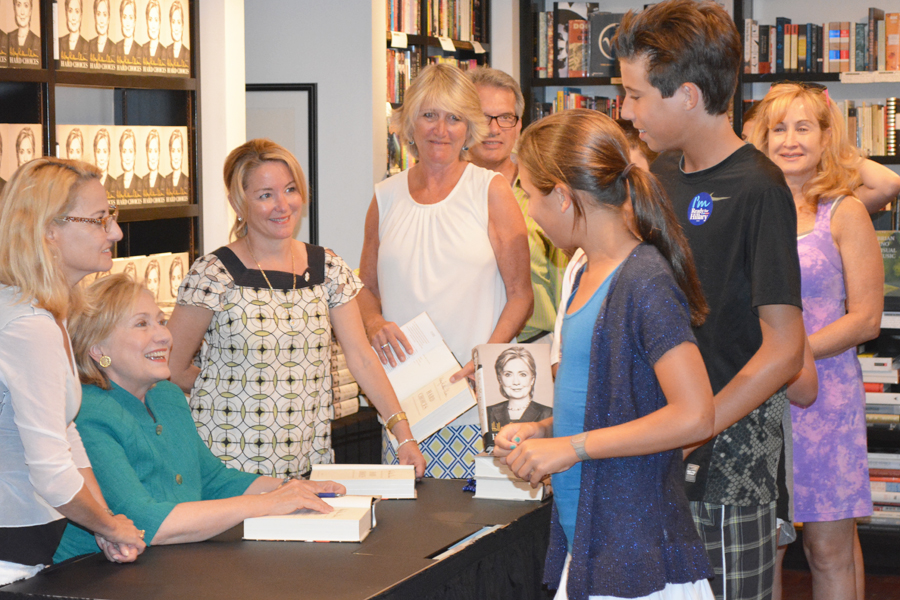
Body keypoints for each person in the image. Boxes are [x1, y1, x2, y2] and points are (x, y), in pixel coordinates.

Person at [614, 2, 806, 599]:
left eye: (635, 95)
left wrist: (698, 425)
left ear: (688, 96)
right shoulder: (659, 177)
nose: (625, 111)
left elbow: (785, 348)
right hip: (659, 444)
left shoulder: (759, 188)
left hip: (730, 461)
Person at [495, 108, 715, 600]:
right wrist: (544, 431)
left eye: (529, 195)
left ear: (562, 196)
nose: (530, 212)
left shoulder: (644, 281)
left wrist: (571, 447)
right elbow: (606, 406)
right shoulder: (583, 273)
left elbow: (696, 415)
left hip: (635, 552)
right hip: (592, 541)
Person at [167, 139, 425, 479]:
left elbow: (362, 359)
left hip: (307, 466)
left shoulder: (326, 268)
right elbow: (170, 367)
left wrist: (403, 434)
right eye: (265, 195)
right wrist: (234, 387)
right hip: (226, 468)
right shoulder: (213, 274)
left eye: (290, 189)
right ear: (238, 203)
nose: (282, 205)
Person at [53, 275, 345, 561]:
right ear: (98, 349)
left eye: (161, 321)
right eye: (142, 324)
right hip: (92, 572)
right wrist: (267, 503)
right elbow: (144, 522)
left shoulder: (166, 395)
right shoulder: (87, 413)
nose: (164, 335)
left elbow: (213, 479)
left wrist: (291, 488)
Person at [357, 63, 532, 479]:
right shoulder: (385, 197)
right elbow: (365, 289)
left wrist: (486, 359)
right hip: (407, 407)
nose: (441, 129)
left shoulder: (491, 191)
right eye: (429, 115)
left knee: (485, 516)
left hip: (480, 399)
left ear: (469, 126)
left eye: (454, 117)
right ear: (409, 123)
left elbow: (521, 294)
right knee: (408, 516)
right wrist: (374, 322)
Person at [749, 82, 883, 600]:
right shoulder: (749, 210)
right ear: (761, 140)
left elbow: (866, 319)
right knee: (764, 547)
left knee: (828, 550)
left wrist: (792, 351)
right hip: (756, 394)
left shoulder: (844, 211)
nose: (790, 140)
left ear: (826, 137)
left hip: (828, 399)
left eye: (803, 127)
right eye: (778, 129)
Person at [0, 158, 145, 586]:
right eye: (99, 220)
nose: (115, 233)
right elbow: (51, 469)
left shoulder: (43, 310)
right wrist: (110, 525)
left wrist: (104, 522)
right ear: (49, 229)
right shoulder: (28, 325)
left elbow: (65, 433)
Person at [467, 67, 568, 345]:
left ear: (519, 124)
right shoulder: (446, 194)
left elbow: (566, 285)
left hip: (534, 347)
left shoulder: (547, 192)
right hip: (462, 343)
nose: (494, 129)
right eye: (483, 117)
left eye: (505, 118)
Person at [550, 119, 656, 374]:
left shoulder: (653, 262)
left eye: (629, 178)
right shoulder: (580, 260)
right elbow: (559, 358)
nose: (621, 191)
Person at [743, 100, 900, 215]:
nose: (753, 147)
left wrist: (832, 146)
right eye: (746, 139)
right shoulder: (748, 198)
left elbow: (889, 184)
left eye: (802, 129)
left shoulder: (831, 205)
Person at [487, 346, 550, 433]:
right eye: (508, 374)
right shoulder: (489, 412)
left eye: (523, 374)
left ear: (532, 379)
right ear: (500, 379)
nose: (516, 382)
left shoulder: (549, 413)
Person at [115, 129, 143, 204]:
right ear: (120, 154)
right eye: (124, 151)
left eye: (130, 151)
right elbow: (113, 206)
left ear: (135, 154)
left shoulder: (141, 183)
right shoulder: (115, 183)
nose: (127, 157)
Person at [88, 0, 116, 68]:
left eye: (105, 15)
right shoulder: (89, 45)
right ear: (95, 17)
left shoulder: (114, 48)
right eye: (98, 14)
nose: (101, 21)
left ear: (108, 18)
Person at [142, 129, 167, 201]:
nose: (153, 157)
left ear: (159, 153)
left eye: (155, 151)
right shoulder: (141, 181)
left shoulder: (165, 182)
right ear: (146, 153)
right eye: (150, 151)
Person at [92, 128, 118, 200]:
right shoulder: (89, 185)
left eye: (105, 151)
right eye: (98, 151)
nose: (101, 158)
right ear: (95, 154)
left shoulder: (116, 185)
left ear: (109, 154)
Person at [115, 0, 142, 66]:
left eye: (131, 18)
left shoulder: (140, 50)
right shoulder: (115, 47)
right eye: (124, 17)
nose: (127, 23)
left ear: (135, 21)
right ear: (121, 20)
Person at [141, 0, 166, 69]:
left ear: (160, 23)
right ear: (147, 22)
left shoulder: (165, 51)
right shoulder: (141, 49)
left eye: (156, 20)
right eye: (150, 19)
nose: (153, 25)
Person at [164, 0, 189, 71]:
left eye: (179, 22)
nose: (176, 28)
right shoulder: (165, 51)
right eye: (173, 22)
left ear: (182, 25)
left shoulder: (188, 54)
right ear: (170, 24)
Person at [164, 129, 187, 199]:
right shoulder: (164, 180)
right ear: (170, 153)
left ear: (182, 153)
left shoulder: (187, 181)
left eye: (178, 151)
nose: (176, 156)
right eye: (173, 151)